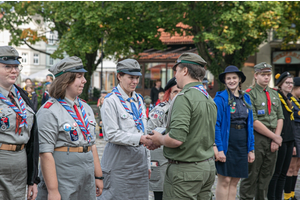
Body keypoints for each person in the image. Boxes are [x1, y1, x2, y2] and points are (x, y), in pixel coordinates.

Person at [147, 52, 217, 200]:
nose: (175, 76)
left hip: (186, 171)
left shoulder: (184, 97)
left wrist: (159, 139)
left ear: (185, 71)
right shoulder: (208, 98)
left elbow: (176, 139)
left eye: (177, 71)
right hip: (206, 167)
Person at [36, 56, 103, 199]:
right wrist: (53, 190)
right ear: (66, 80)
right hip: (64, 174)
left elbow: (92, 144)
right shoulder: (49, 111)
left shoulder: (85, 107)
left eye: (83, 76)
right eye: (79, 77)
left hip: (86, 173)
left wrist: (98, 176)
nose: (84, 81)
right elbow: (45, 153)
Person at [99, 58, 151, 200]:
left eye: (137, 78)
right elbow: (111, 135)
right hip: (119, 166)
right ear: (119, 77)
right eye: (131, 78)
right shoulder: (111, 101)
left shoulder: (139, 100)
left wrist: (148, 163)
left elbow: (143, 131)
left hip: (139, 165)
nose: (135, 82)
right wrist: (139, 139)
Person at [239, 62, 284, 200]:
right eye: (263, 74)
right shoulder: (249, 94)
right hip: (257, 137)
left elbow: (280, 117)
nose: (266, 77)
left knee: (266, 175)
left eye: (268, 74)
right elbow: (253, 121)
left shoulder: (274, 93)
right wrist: (275, 137)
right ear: (256, 75)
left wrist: (276, 137)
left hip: (273, 136)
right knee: (251, 175)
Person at [0, 46, 39, 200]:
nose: (13, 71)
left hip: (20, 167)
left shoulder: (21, 96)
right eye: (7, 66)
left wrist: (32, 179)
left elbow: (32, 140)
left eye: (16, 66)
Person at [214, 65, 255, 200]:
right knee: (225, 180)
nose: (231, 81)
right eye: (228, 78)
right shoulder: (220, 99)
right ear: (225, 81)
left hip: (242, 143)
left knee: (235, 181)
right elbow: (216, 125)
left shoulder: (246, 98)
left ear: (239, 80)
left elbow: (249, 125)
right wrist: (219, 149)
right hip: (227, 143)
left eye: (234, 78)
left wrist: (251, 149)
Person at [147, 77, 181, 200]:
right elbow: (149, 131)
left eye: (181, 91)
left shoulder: (185, 108)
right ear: (168, 93)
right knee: (160, 192)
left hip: (178, 157)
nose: (178, 95)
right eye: (175, 91)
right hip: (161, 156)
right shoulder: (161, 109)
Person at [268, 72, 295, 200]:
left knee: (284, 173)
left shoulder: (288, 98)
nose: (290, 85)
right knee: (276, 172)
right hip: (281, 138)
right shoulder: (276, 97)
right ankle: (272, 197)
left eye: (291, 83)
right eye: (287, 83)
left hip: (290, 139)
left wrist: (294, 142)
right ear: (280, 84)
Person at [284, 77, 300, 200]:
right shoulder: (289, 101)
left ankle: (292, 193)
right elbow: (291, 124)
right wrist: (293, 143)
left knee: (296, 167)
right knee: (290, 167)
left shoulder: (298, 101)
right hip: (294, 136)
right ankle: (287, 195)